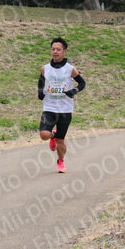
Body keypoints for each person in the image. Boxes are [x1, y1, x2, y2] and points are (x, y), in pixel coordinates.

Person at [38, 37, 86, 173]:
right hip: (49, 107)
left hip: (65, 109)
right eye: (53, 49)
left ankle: (60, 161)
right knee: (43, 134)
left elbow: (82, 83)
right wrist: (40, 92)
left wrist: (74, 91)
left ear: (64, 51)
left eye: (58, 49)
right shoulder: (45, 68)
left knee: (60, 140)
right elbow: (41, 81)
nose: (55, 52)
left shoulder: (70, 69)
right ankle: (51, 136)